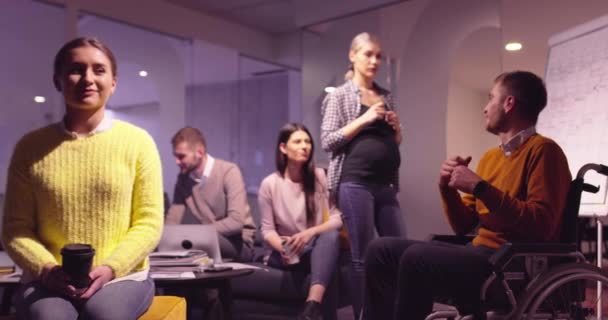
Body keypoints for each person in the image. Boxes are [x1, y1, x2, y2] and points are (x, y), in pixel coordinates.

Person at [364, 71, 572, 320]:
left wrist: (480, 188)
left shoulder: (545, 151)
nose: (485, 108)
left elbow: (541, 225)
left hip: (510, 263)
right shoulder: (489, 158)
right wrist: (447, 188)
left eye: (490, 98)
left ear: (509, 103)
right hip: (480, 254)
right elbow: (464, 226)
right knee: (380, 249)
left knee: (416, 258)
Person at [1, 37, 164, 320]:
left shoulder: (139, 142)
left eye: (99, 70)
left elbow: (149, 222)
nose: (87, 78)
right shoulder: (30, 147)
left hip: (123, 276)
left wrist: (113, 266)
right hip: (48, 279)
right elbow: (16, 229)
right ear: (58, 80)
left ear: (113, 82)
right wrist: (46, 269)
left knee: (104, 314)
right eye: (76, 69)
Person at [320, 31, 404, 317]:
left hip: (386, 185)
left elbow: (394, 143)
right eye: (368, 54)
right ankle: (364, 315)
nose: (374, 60)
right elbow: (328, 140)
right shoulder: (341, 95)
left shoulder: (386, 96)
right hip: (355, 183)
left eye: (378, 55)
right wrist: (365, 118)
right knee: (362, 257)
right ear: (352, 55)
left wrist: (396, 128)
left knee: (398, 251)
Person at [259, 123, 342, 320]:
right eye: (297, 141)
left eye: (307, 142)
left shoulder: (320, 176)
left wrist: (309, 233)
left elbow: (337, 218)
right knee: (328, 268)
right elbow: (267, 230)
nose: (305, 146)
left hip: (313, 248)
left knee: (330, 236)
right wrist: (283, 247)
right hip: (286, 251)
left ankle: (311, 306)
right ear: (283, 148)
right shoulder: (270, 184)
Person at [166, 127, 256, 262]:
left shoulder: (229, 171)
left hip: (239, 241)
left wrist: (197, 233)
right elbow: (172, 220)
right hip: (210, 238)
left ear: (200, 152)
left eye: (181, 156)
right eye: (175, 156)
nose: (177, 161)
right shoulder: (183, 179)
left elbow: (236, 222)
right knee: (173, 245)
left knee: (191, 243)